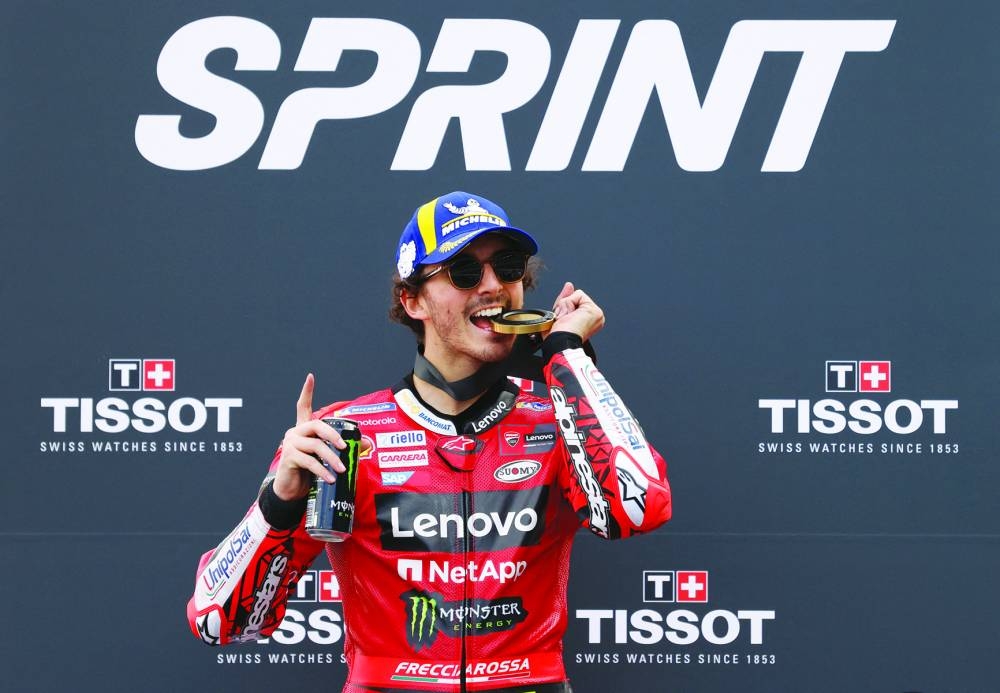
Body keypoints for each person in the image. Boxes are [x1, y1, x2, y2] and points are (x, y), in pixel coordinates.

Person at [187, 191, 672, 693]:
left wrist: (569, 356)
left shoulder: (557, 416)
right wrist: (279, 503)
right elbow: (216, 620)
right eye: (463, 272)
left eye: (507, 268)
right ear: (412, 299)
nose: (492, 286)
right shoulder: (345, 434)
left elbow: (639, 509)